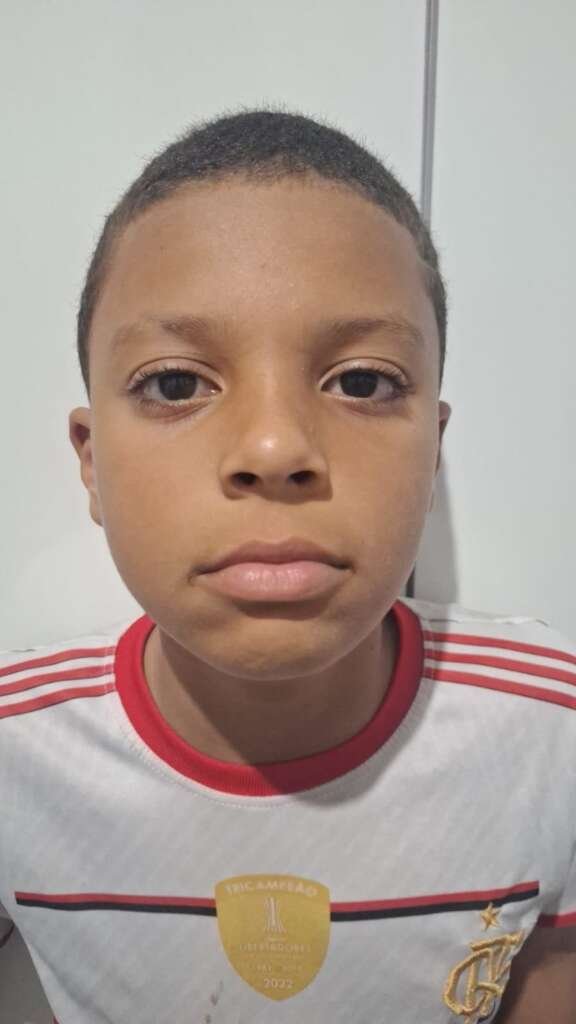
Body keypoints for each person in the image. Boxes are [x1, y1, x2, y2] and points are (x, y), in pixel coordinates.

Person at [1, 107, 575, 1024]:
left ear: (432, 450)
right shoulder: (16, 756)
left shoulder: (551, 732)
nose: (273, 448)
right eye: (176, 383)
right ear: (91, 461)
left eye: (363, 381)